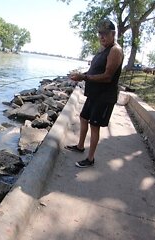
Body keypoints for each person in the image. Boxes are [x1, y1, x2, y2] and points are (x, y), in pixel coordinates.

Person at [66, 18, 124, 168]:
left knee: (94, 126)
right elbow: (94, 71)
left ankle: (90, 159)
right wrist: (81, 75)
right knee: (84, 117)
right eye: (100, 34)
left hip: (104, 96)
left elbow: (107, 76)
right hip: (94, 94)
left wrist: (84, 77)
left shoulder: (115, 50)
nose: (102, 37)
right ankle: (80, 146)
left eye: (105, 34)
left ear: (113, 34)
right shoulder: (103, 50)